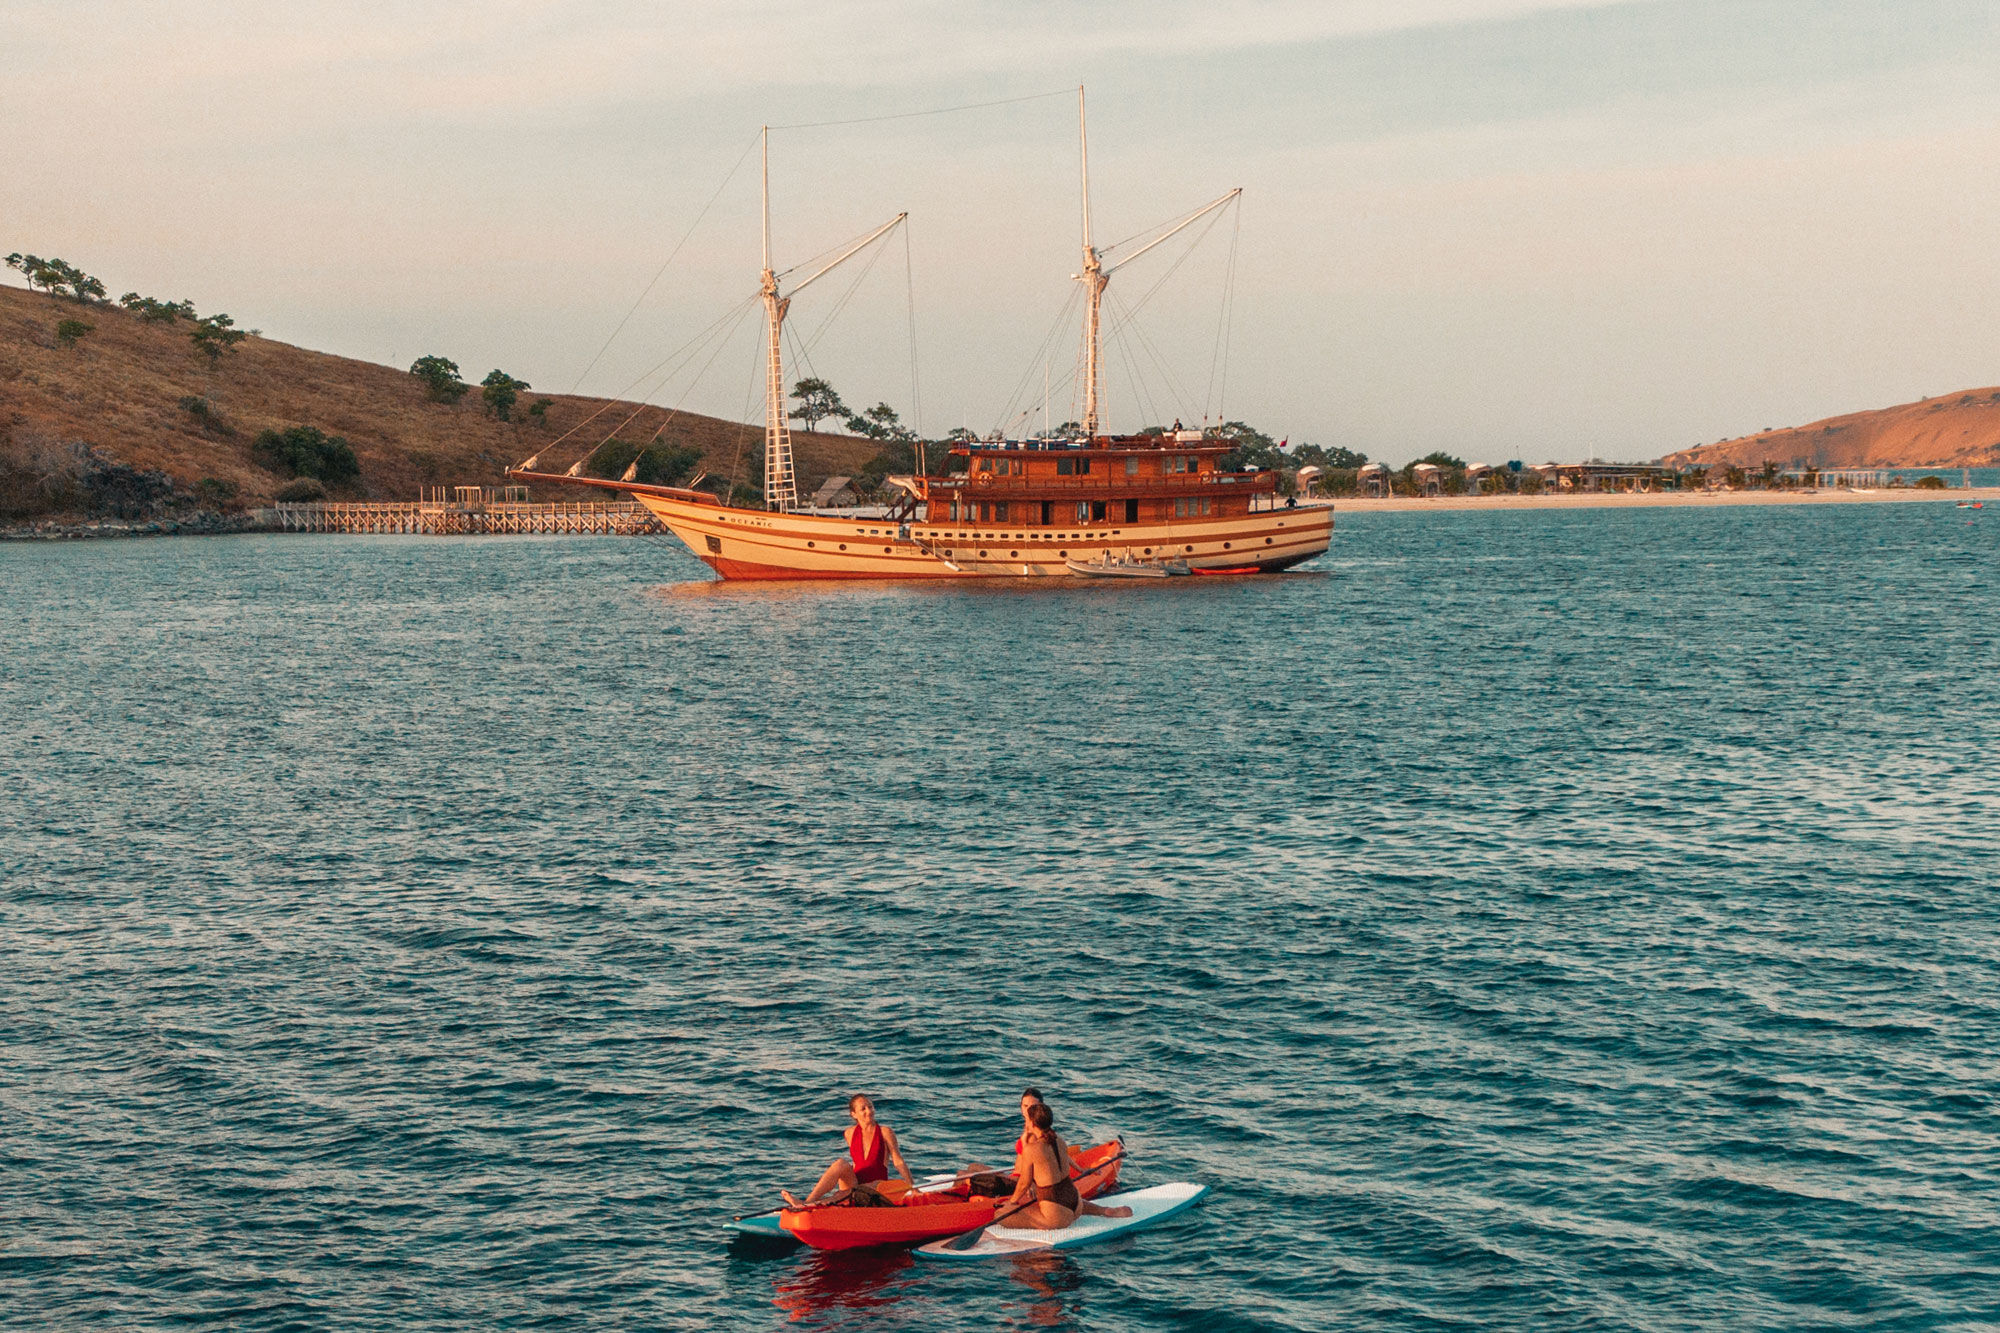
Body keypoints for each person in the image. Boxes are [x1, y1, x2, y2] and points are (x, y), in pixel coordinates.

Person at [781, 1094, 912, 1209]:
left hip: (876, 1185)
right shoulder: (849, 1133)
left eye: (871, 1107)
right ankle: (809, 1202)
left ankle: (813, 1205)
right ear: (853, 1114)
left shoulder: (885, 1132)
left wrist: (912, 1186)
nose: (869, 1111)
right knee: (840, 1163)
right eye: (863, 1109)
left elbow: (898, 1160)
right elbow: (857, 1162)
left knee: (863, 1187)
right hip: (855, 1183)